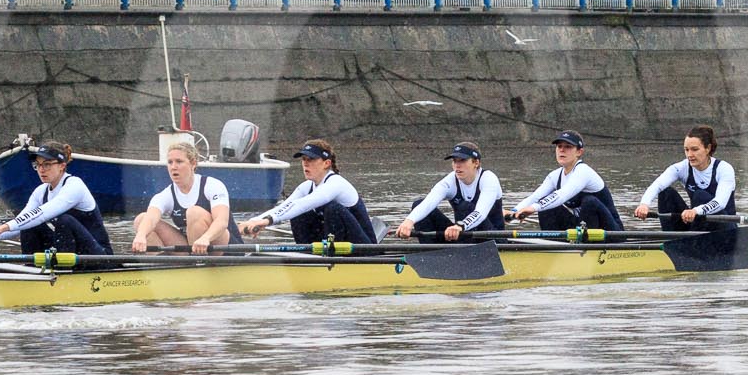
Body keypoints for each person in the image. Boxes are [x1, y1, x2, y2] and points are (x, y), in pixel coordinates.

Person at [0, 141, 111, 255]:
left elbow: (43, 213)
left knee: (64, 221)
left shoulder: (75, 186)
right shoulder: (40, 192)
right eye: (38, 165)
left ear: (62, 166)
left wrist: (1, 228)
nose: (41, 169)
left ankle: (62, 274)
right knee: (29, 225)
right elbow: (23, 221)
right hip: (72, 253)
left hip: (97, 255)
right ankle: (32, 270)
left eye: (47, 164)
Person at [240, 139, 376, 245]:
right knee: (298, 213)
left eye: (311, 159)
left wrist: (267, 222)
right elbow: (285, 207)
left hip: (364, 248)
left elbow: (303, 204)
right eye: (304, 159)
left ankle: (330, 259)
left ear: (326, 163)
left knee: (332, 209)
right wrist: (252, 221)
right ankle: (307, 255)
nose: (305, 163)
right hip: (333, 244)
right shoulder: (307, 187)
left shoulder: (336, 184)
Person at [132, 141, 239, 253]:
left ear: (193, 163)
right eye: (170, 162)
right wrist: (140, 236)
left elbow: (221, 222)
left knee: (194, 213)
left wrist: (205, 238)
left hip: (226, 248)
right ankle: (160, 264)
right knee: (141, 220)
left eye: (179, 161)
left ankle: (199, 263)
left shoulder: (212, 185)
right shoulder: (166, 195)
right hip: (192, 249)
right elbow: (151, 217)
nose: (173, 167)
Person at [511, 130, 625, 232]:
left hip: (611, 231)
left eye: (568, 146)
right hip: (581, 227)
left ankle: (590, 247)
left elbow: (562, 195)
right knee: (545, 204)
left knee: (589, 201)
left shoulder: (583, 171)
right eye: (559, 146)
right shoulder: (555, 176)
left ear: (579, 152)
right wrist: (514, 211)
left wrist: (533, 208)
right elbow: (535, 197)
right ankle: (552, 246)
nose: (562, 150)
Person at [633, 125, 738, 230]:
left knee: (700, 195)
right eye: (686, 150)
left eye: (694, 149)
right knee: (666, 193)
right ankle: (672, 240)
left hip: (725, 228)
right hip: (698, 224)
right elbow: (657, 185)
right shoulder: (681, 168)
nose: (689, 155)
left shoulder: (724, 169)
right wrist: (644, 204)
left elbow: (720, 202)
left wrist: (695, 211)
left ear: (708, 148)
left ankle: (693, 240)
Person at [396, 142, 504, 243]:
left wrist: (461, 226)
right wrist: (409, 221)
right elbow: (428, 203)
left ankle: (457, 253)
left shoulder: (488, 178)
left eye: (462, 160)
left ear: (476, 162)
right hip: (463, 237)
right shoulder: (450, 181)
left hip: (494, 240)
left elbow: (480, 212)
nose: (457, 165)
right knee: (418, 204)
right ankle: (430, 254)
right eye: (455, 161)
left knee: (465, 207)